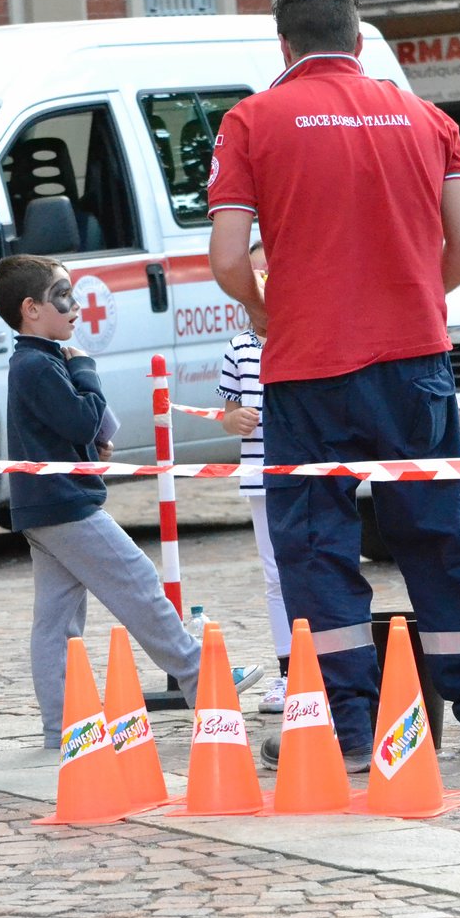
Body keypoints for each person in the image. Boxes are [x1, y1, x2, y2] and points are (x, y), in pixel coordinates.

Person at [206, 0, 460, 768]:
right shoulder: (428, 118)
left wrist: (270, 310)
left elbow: (224, 258)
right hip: (414, 361)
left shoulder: (252, 120)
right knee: (438, 534)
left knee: (316, 547)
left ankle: (346, 727)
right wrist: (414, 296)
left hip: (307, 368)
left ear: (284, 47)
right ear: (357, 40)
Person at [0, 254, 263, 748]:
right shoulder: (38, 364)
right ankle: (200, 677)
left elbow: (65, 430)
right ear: (31, 309)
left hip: (47, 505)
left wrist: (89, 441)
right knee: (137, 582)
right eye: (63, 296)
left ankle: (63, 725)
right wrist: (87, 372)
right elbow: (81, 418)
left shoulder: (37, 361)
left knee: (56, 621)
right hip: (66, 505)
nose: (75, 307)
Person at [216, 242, 292, 713]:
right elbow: (227, 410)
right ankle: (288, 671)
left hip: (304, 473)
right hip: (260, 477)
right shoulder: (239, 349)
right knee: (274, 575)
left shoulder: (305, 338)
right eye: (257, 276)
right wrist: (234, 420)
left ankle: (330, 665)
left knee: (316, 565)